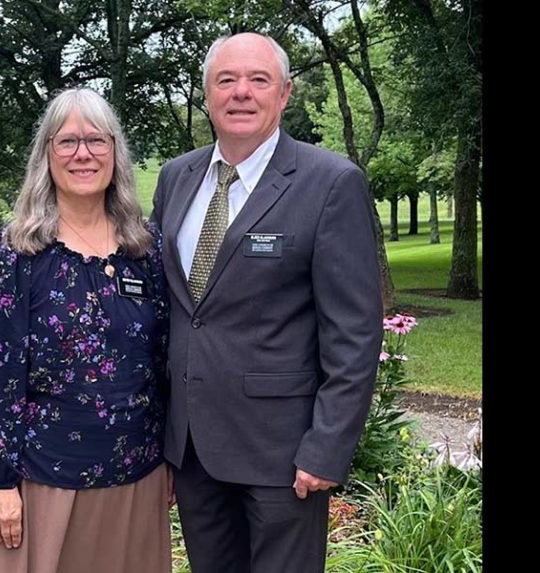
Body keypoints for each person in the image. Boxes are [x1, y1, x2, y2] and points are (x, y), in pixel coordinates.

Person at [150, 32, 383, 573]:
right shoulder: (176, 178)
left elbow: (354, 334)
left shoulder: (331, 183)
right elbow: (176, 312)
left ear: (285, 93)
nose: (241, 93)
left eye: (259, 80)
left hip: (283, 454)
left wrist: (326, 448)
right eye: (226, 80)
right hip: (193, 449)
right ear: (207, 94)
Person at [0, 87, 172, 573]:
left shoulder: (145, 249)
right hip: (40, 483)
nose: (83, 154)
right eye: (68, 141)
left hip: (137, 478)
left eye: (97, 140)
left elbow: (163, 359)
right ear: (47, 154)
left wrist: (167, 459)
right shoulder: (14, 253)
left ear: (115, 153)